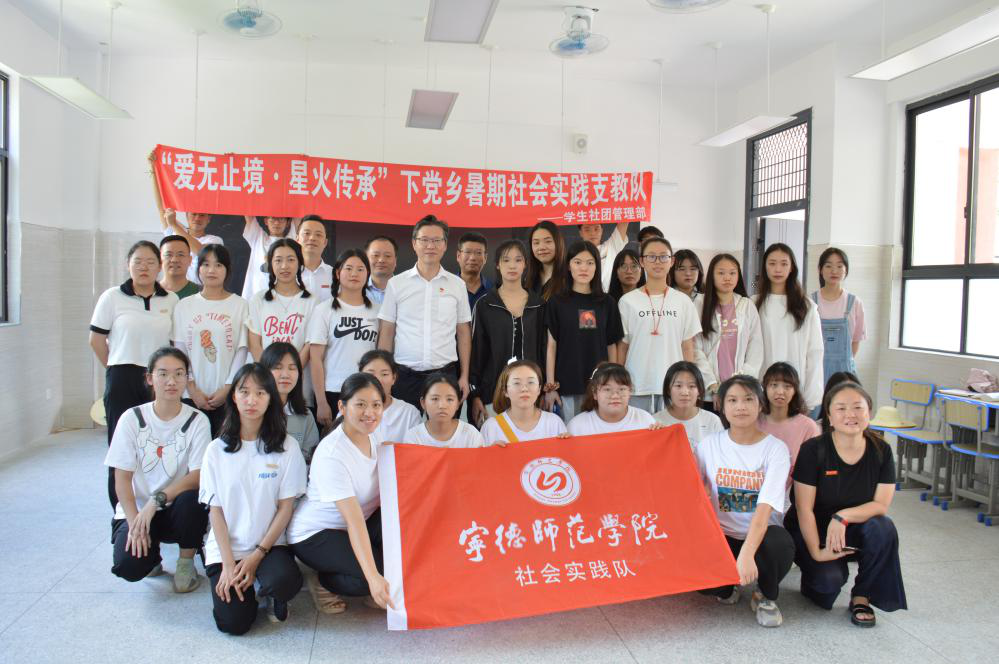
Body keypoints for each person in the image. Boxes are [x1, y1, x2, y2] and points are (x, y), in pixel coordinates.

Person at [199, 363, 307, 634]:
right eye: (244, 392)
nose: (251, 400)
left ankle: (270, 590)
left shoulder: (287, 447)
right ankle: (247, 587)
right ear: (233, 397)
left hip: (269, 546)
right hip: (227, 549)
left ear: (270, 398)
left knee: (284, 582)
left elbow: (285, 508)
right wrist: (228, 564)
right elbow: (215, 511)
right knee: (233, 624)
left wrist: (257, 555)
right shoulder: (216, 450)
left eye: (260, 393)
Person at [789, 381, 906, 626]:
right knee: (827, 585)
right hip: (814, 527)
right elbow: (803, 508)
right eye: (841, 408)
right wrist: (817, 552)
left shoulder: (881, 450)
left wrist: (842, 517)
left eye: (857, 407)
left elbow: (880, 506)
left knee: (883, 527)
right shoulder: (813, 450)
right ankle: (813, 576)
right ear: (830, 417)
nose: (850, 414)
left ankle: (862, 594)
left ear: (869, 413)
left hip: (853, 526)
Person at [105, 347, 211, 593]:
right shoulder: (131, 418)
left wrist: (157, 501)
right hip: (138, 511)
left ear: (187, 378)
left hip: (176, 509)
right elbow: (122, 478)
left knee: (194, 499)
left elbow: (198, 476)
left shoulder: (197, 421)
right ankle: (151, 558)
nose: (171, 381)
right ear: (150, 378)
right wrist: (135, 523)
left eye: (179, 374)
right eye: (163, 374)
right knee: (129, 566)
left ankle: (186, 563)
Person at [288, 373, 394, 614]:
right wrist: (374, 578)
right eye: (361, 404)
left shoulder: (374, 434)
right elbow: (353, 521)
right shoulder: (332, 454)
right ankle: (322, 581)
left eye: (376, 405)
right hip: (316, 533)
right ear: (342, 407)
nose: (370, 412)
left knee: (399, 544)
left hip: (357, 522)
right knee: (371, 576)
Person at [695, 375, 794, 628]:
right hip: (722, 535)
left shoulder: (776, 449)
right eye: (733, 400)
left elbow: (764, 509)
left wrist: (747, 554)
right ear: (721, 405)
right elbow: (688, 487)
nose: (740, 406)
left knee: (780, 544)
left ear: (760, 404)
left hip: (762, 536)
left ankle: (765, 595)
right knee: (703, 579)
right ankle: (728, 588)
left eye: (748, 399)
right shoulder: (708, 445)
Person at [91, 241, 179, 507]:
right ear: (127, 265)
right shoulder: (112, 297)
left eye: (150, 262)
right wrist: (115, 368)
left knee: (158, 445)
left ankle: (156, 507)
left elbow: (174, 343)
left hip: (158, 381)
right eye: (138, 261)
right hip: (123, 377)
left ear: (159, 266)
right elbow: (96, 340)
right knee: (122, 447)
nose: (144, 267)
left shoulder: (171, 299)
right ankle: (121, 512)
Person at [377, 215, 473, 411]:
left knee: (444, 428)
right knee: (404, 428)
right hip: (404, 377)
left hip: (445, 375)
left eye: (437, 240)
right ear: (414, 243)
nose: (430, 246)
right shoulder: (396, 284)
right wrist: (383, 376)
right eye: (424, 240)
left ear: (445, 245)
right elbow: (386, 332)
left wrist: (464, 376)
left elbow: (463, 333)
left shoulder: (457, 285)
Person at [172, 244, 249, 435]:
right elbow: (180, 352)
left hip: (228, 395)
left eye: (218, 265)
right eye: (206, 264)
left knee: (225, 446)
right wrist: (192, 389)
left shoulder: (240, 305)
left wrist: (228, 388)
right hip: (191, 395)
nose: (211, 270)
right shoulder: (184, 306)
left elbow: (242, 351)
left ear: (227, 269)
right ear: (198, 269)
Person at [468, 240, 546, 426]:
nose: (512, 265)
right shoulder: (485, 304)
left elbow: (544, 350)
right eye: (506, 260)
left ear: (525, 264)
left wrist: (544, 390)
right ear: (497, 264)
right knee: (496, 441)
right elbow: (476, 352)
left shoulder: (539, 305)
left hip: (532, 394)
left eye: (518, 260)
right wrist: (475, 395)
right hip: (492, 394)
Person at [618, 237, 700, 414]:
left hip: (673, 387)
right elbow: (622, 347)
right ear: (642, 261)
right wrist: (619, 383)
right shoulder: (627, 301)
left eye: (663, 256)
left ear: (671, 261)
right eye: (651, 256)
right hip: (636, 385)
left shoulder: (683, 302)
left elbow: (687, 347)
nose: (657, 262)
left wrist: (689, 384)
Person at [545, 241, 624, 421]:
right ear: (568, 266)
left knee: (600, 434)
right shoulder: (557, 302)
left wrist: (614, 382)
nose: (584, 268)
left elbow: (611, 345)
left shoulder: (607, 303)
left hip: (600, 386)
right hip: (566, 385)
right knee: (569, 434)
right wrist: (551, 387)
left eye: (590, 263)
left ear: (597, 267)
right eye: (578, 262)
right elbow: (551, 345)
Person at [309, 250, 380, 430]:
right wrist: (321, 402)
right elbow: (315, 359)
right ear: (338, 273)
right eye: (348, 268)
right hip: (333, 391)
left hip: (367, 390)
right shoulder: (324, 310)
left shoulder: (378, 311)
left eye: (360, 269)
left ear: (367, 274)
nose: (354, 273)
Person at [246, 239, 317, 404]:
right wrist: (270, 375)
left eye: (291, 260)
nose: (284, 266)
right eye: (278, 260)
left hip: (300, 385)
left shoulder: (312, 301)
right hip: (265, 384)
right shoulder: (258, 300)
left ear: (300, 263)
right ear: (271, 265)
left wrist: (291, 371)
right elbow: (254, 344)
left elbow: (310, 344)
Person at [756, 243, 824, 411]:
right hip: (761, 391)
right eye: (772, 263)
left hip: (795, 391)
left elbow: (815, 352)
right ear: (764, 267)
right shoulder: (753, 304)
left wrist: (809, 398)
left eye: (784, 263)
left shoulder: (806, 306)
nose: (778, 269)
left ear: (792, 267)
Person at [694, 253, 763, 406]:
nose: (727, 278)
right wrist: (713, 385)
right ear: (711, 276)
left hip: (740, 392)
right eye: (721, 273)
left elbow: (756, 349)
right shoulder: (699, 304)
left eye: (732, 273)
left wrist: (740, 384)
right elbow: (695, 349)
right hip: (708, 393)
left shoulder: (746, 305)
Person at [147, 151, 223, 286]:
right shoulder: (174, 232)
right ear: (187, 215)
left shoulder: (214, 240)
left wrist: (175, 225)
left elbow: (201, 252)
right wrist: (154, 170)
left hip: (199, 291)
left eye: (202, 215)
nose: (197, 218)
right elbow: (161, 207)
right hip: (172, 288)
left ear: (208, 219)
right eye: (194, 214)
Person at [811, 248, 866, 384]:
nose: (834, 271)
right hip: (816, 371)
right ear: (820, 269)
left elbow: (856, 341)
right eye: (828, 266)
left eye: (839, 266)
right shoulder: (810, 302)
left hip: (844, 373)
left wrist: (843, 362)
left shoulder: (855, 303)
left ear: (846, 270)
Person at [480, 360, 567, 444]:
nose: (524, 388)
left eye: (531, 382)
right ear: (505, 390)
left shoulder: (554, 422)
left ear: (539, 389)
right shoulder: (491, 427)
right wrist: (491, 452)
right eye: (517, 383)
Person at [259, 343, 320, 463]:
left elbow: (310, 457)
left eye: (292, 368)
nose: (285, 375)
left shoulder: (305, 415)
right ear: (264, 372)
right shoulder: (254, 410)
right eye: (278, 367)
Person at [759, 362, 822, 472]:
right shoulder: (753, 422)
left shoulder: (808, 427)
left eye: (787, 386)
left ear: (795, 391)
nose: (780, 392)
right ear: (765, 388)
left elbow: (814, 467)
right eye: (774, 385)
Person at [566, 363, 662, 435]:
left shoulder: (645, 420)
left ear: (630, 391)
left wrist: (661, 435)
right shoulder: (576, 427)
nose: (615, 396)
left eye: (622, 389)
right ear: (595, 393)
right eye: (607, 389)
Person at [403, 374, 486, 448]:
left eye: (449, 399)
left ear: (458, 404)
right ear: (423, 403)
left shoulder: (471, 435)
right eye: (435, 399)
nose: (442, 406)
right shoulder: (413, 437)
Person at [653, 361, 723, 448]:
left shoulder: (713, 422)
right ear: (668, 390)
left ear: (699, 390)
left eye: (692, 386)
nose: (685, 392)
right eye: (678, 386)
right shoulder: (655, 422)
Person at [360, 350, 422, 444]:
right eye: (370, 374)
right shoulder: (350, 409)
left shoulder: (409, 413)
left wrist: (396, 448)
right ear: (359, 376)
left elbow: (417, 450)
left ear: (394, 378)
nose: (377, 380)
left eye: (384, 374)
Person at [240, 215, 298, 299]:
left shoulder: (292, 241)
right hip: (257, 296)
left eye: (281, 218)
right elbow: (249, 213)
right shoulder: (258, 238)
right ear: (266, 221)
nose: (277, 222)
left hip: (283, 297)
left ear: (288, 223)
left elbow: (299, 214)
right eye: (272, 218)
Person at [578, 221, 629, 290]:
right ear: (580, 233)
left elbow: (624, 220)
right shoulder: (575, 255)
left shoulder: (611, 247)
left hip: (608, 294)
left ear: (602, 230)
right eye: (587, 230)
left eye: (596, 229)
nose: (592, 233)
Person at [525, 220, 566, 301]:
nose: (542, 247)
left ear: (559, 243)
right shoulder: (526, 278)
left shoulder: (569, 277)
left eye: (548, 241)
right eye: (536, 243)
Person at [297, 215, 333, 302]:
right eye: (307, 233)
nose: (312, 238)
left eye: (318, 235)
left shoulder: (335, 275)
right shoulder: (287, 274)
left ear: (325, 242)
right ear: (297, 239)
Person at [456, 232, 493, 312]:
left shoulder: (494, 291)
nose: (472, 258)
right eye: (468, 252)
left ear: (485, 258)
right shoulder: (446, 288)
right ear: (458, 256)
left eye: (478, 253)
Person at [158, 235, 200, 300]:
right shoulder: (148, 292)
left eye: (180, 255)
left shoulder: (201, 293)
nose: (174, 260)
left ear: (190, 260)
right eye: (168, 255)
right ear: (159, 260)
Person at [364, 235, 398, 305]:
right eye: (375, 255)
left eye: (387, 256)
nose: (381, 260)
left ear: (395, 261)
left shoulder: (406, 289)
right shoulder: (356, 289)